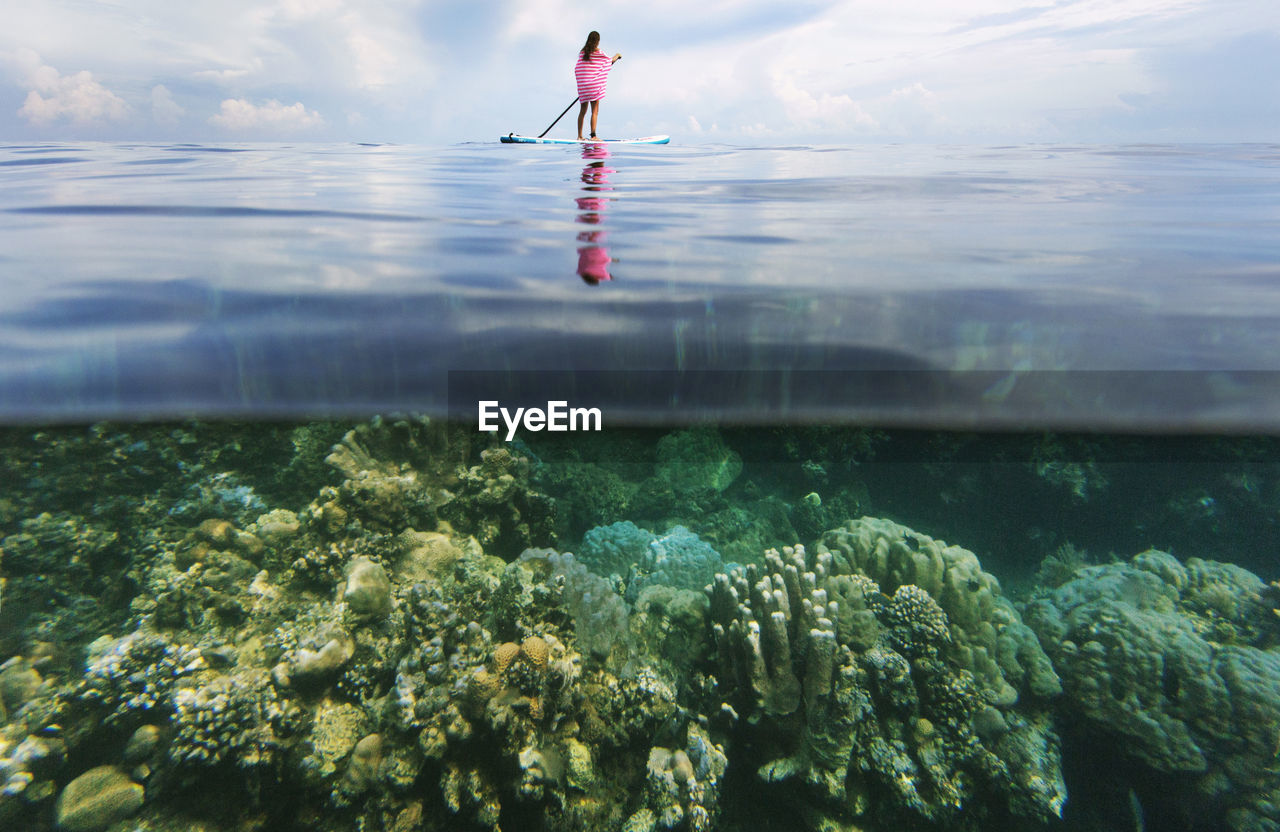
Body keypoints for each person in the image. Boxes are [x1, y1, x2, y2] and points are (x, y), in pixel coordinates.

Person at [574, 31, 621, 141]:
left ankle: (579, 136)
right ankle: (593, 136)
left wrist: (584, 84)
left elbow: (579, 68)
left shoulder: (582, 53)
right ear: (598, 41)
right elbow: (608, 62)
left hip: (583, 86)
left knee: (582, 111)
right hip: (594, 86)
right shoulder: (598, 52)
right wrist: (617, 55)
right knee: (594, 111)